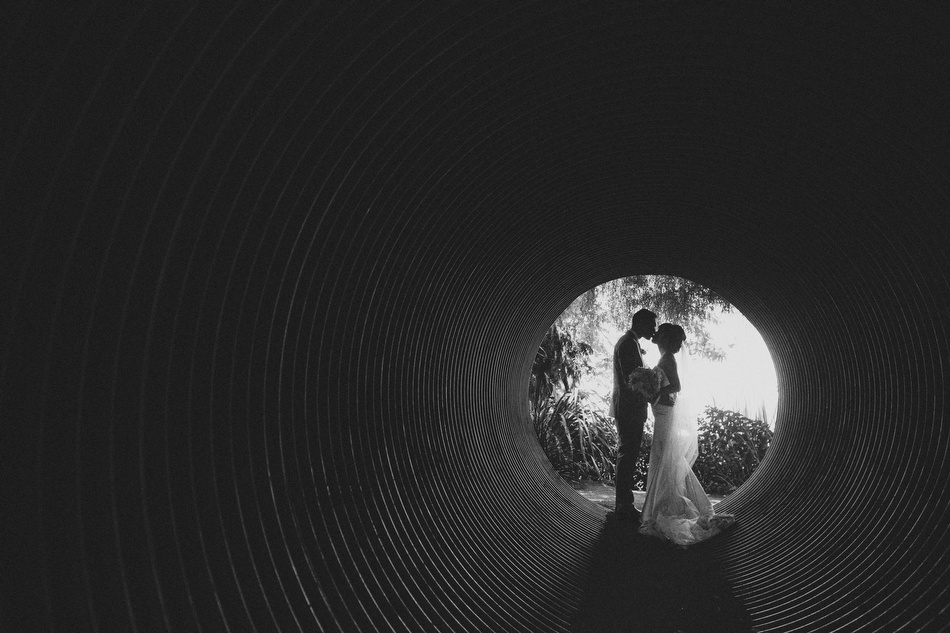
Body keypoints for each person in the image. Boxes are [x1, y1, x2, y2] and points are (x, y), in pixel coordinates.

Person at [638, 323, 736, 545]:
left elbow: (676, 386)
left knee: (665, 456)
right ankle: (668, 501)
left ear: (663, 339)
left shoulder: (668, 359)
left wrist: (652, 391)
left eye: (660, 334)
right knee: (667, 457)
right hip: (662, 409)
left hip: (664, 411)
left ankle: (664, 506)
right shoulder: (667, 358)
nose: (656, 336)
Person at [609, 308, 657, 519]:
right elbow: (632, 381)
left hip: (629, 407)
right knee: (627, 453)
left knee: (627, 453)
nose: (654, 329)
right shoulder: (628, 344)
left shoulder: (631, 342)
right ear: (640, 323)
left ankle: (624, 503)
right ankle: (623, 505)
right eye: (651, 325)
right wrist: (648, 394)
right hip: (629, 408)